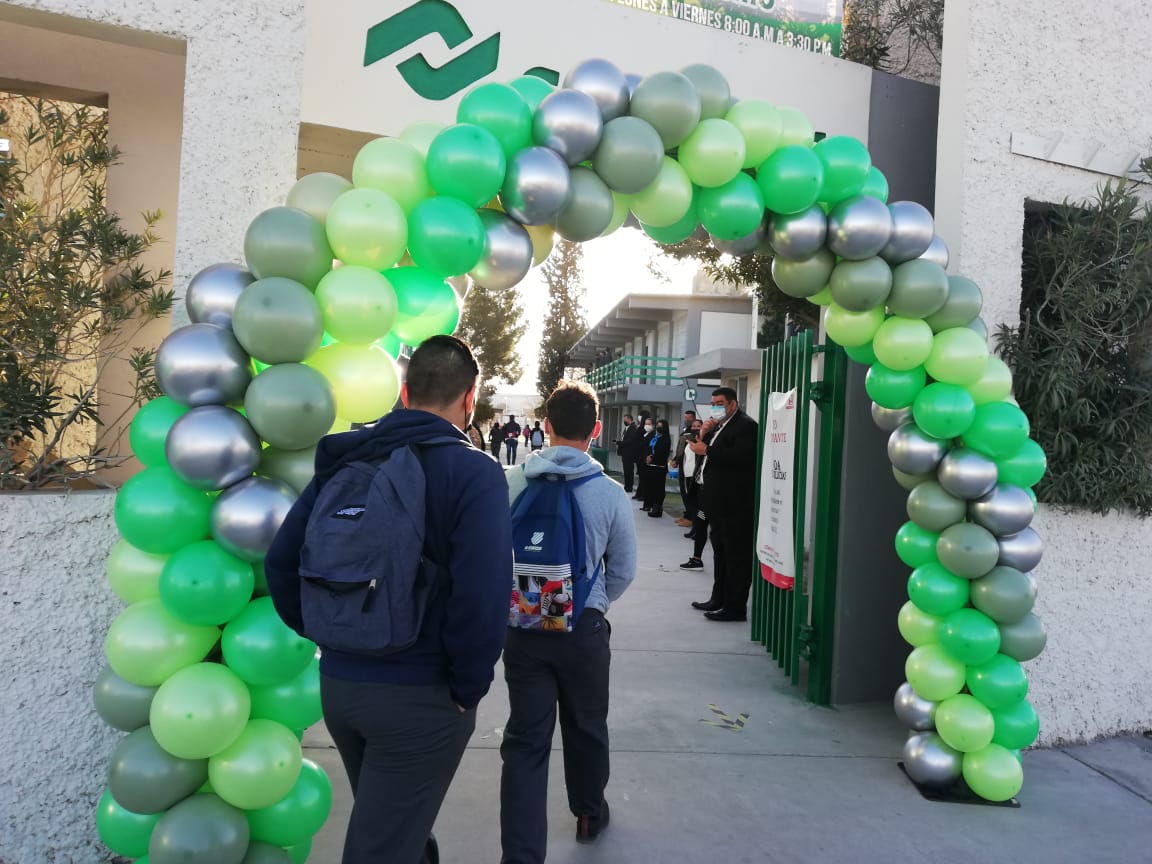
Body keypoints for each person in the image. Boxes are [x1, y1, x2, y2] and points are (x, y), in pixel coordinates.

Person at [264, 335, 513, 864]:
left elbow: (282, 562)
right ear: (470, 398)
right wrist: (467, 688)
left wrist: (337, 634)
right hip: (420, 698)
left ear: (403, 392)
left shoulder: (350, 457)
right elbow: (483, 596)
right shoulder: (474, 472)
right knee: (383, 847)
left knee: (398, 831)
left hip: (341, 688)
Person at [500, 380, 637, 864]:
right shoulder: (610, 493)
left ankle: (520, 851)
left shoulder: (512, 481)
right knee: (586, 725)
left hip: (523, 630)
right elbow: (623, 568)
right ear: (596, 430)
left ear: (547, 427)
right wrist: (590, 606)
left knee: (525, 740)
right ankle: (587, 814)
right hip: (581, 632)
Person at [687, 386, 759, 622]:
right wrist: (705, 433)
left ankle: (735, 607)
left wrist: (707, 448)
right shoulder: (720, 426)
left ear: (732, 404)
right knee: (720, 554)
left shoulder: (746, 426)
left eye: (720, 403)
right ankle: (718, 598)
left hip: (735, 505)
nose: (716, 407)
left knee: (736, 557)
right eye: (713, 403)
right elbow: (708, 452)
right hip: (717, 504)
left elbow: (741, 458)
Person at [679, 418, 708, 570]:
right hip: (700, 488)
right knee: (700, 521)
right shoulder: (696, 443)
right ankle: (697, 559)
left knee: (704, 522)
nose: (697, 430)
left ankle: (698, 558)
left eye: (701, 427)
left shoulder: (708, 446)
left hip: (710, 493)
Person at [669, 409, 697, 526]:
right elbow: (680, 450)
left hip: (689, 466)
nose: (687, 420)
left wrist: (678, 460)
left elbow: (687, 452)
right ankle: (687, 515)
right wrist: (675, 460)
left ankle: (691, 518)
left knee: (688, 492)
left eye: (689, 418)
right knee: (683, 491)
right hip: (682, 464)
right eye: (685, 418)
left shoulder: (693, 434)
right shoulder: (685, 431)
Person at [642, 418, 671, 518]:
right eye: (657, 425)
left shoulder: (666, 439)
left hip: (659, 466)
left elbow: (662, 452)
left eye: (661, 426)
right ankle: (649, 504)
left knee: (659, 488)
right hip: (651, 466)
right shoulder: (654, 437)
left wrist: (652, 457)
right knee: (651, 486)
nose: (659, 428)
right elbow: (648, 448)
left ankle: (658, 508)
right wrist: (647, 456)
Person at [615, 414, 642, 494]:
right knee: (626, 470)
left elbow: (631, 440)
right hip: (625, 453)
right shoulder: (627, 428)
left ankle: (629, 487)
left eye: (625, 419)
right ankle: (627, 486)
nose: (624, 421)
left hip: (629, 453)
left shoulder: (633, 428)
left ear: (630, 419)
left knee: (629, 470)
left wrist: (620, 443)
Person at [631, 412, 651, 500]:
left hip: (642, 455)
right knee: (640, 475)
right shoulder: (640, 427)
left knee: (643, 475)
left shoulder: (645, 429)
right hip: (638, 455)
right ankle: (639, 492)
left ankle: (642, 493)